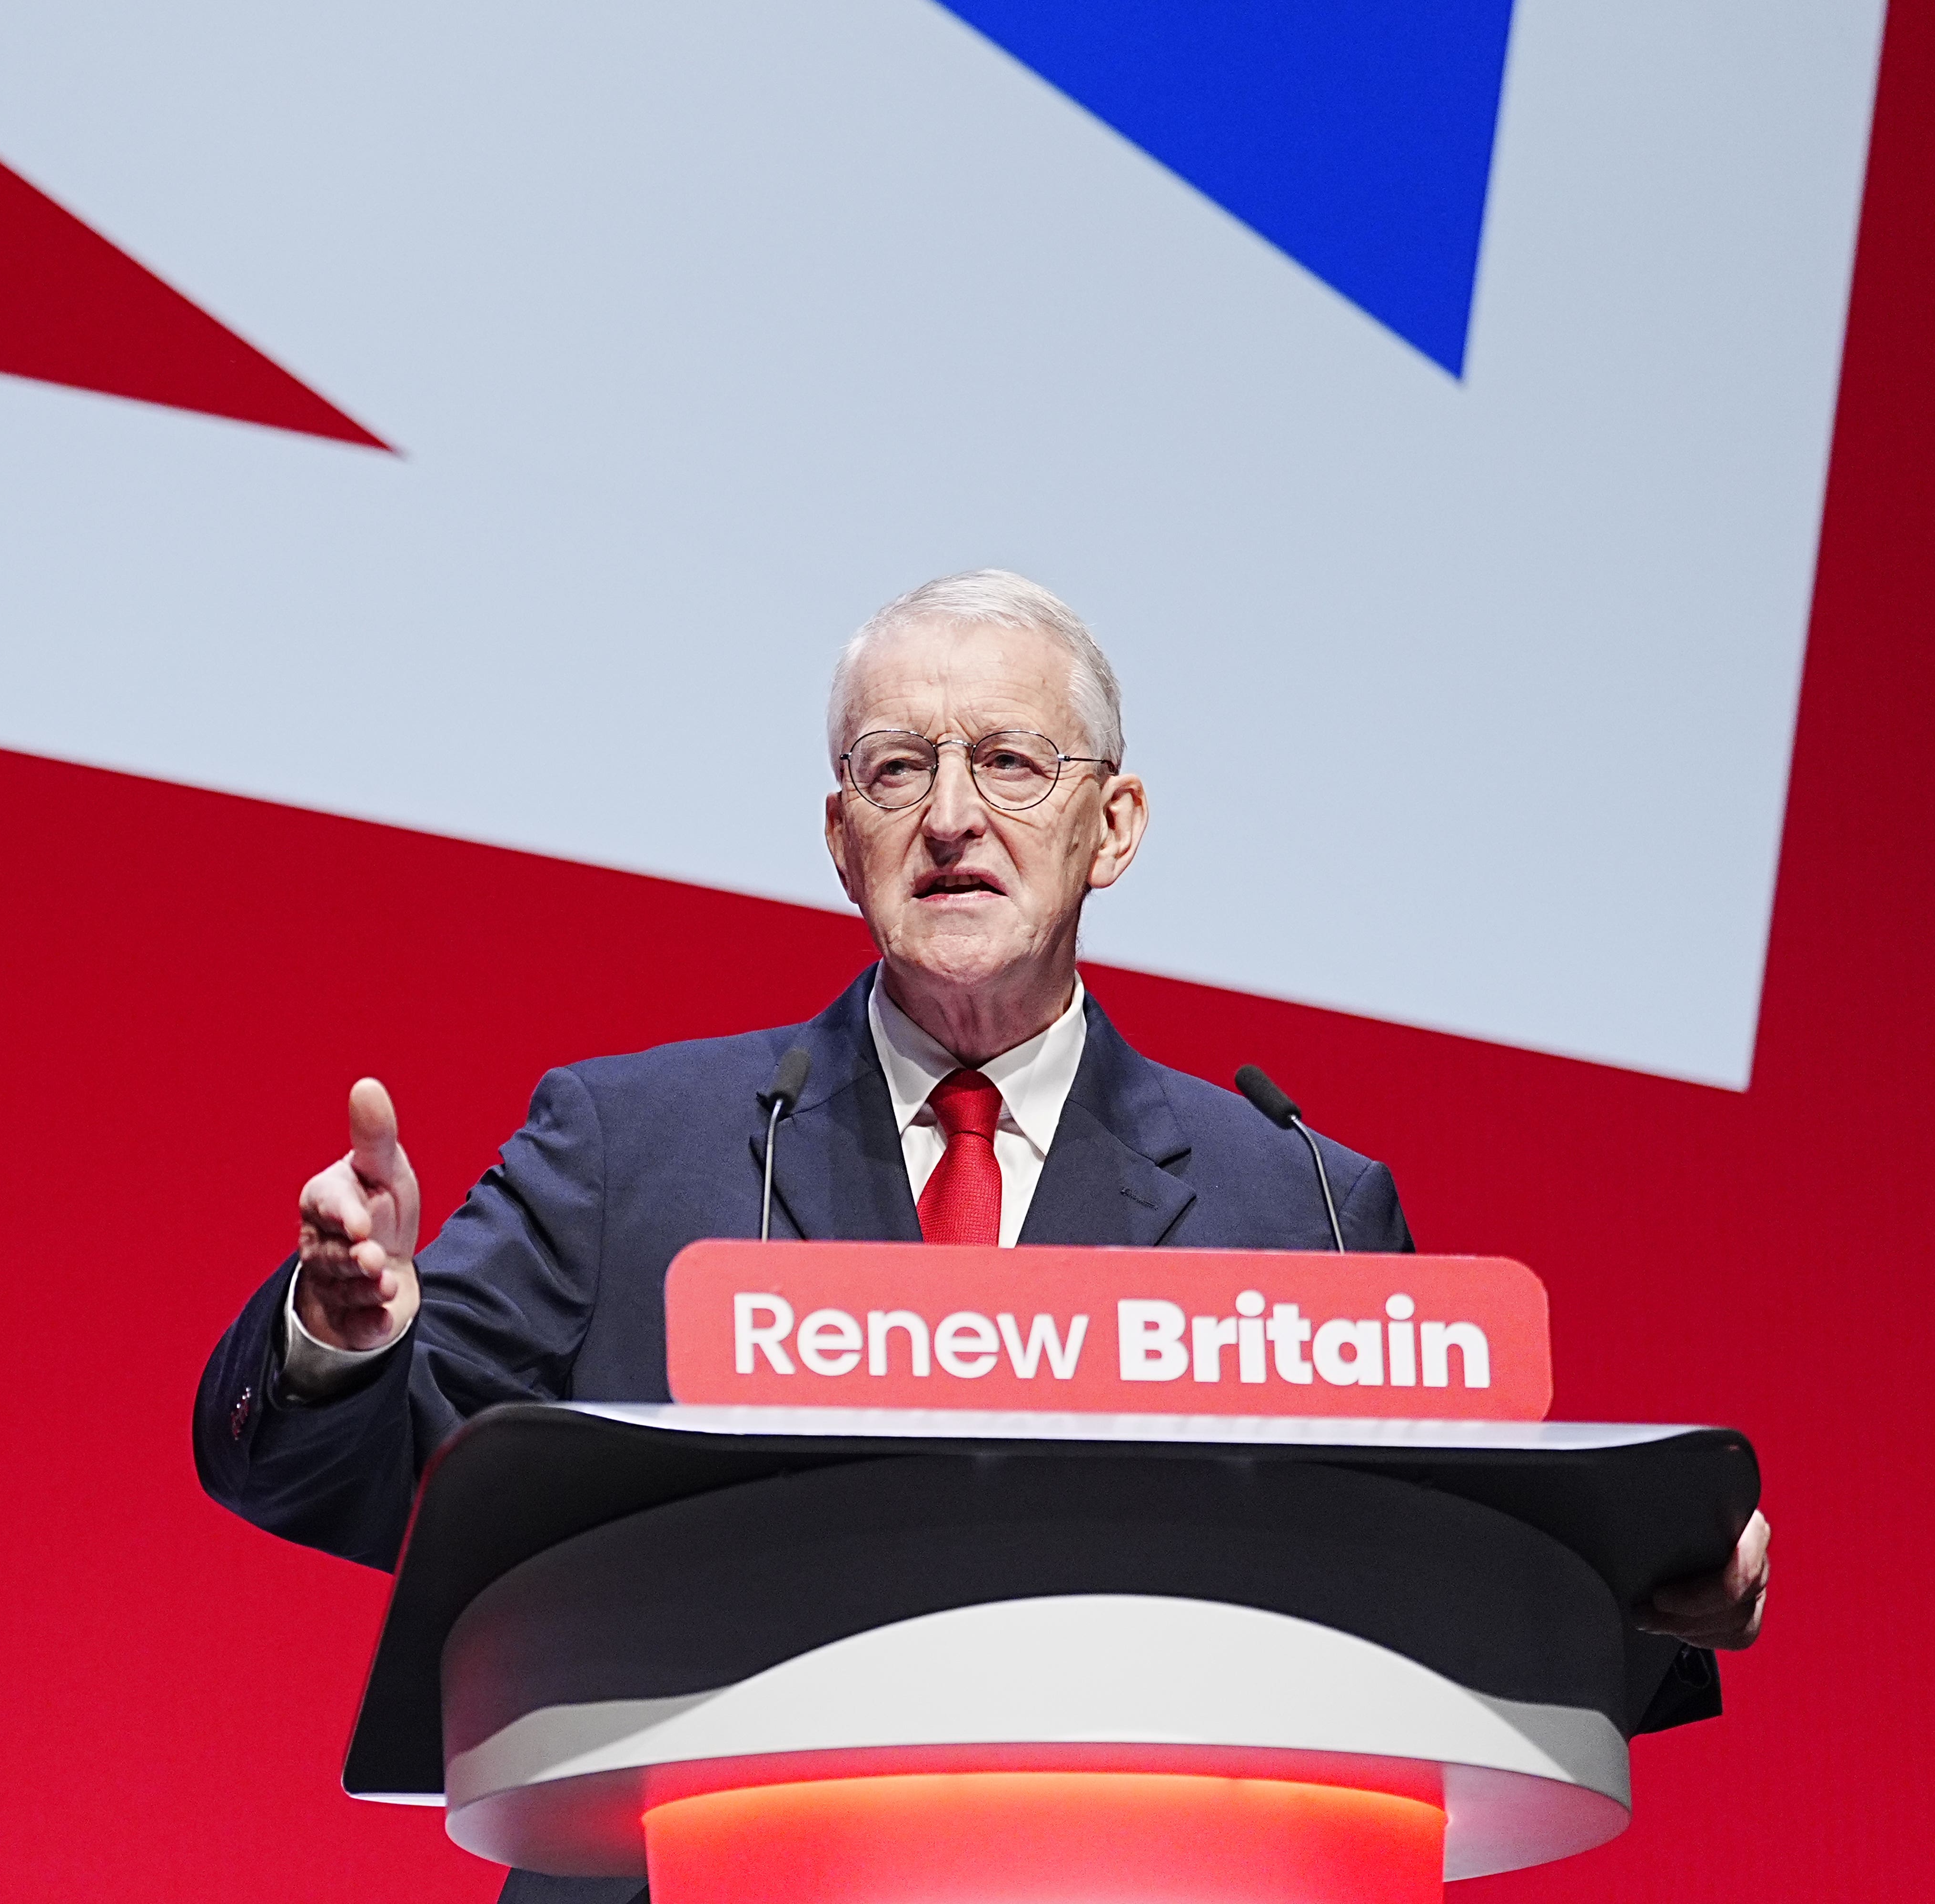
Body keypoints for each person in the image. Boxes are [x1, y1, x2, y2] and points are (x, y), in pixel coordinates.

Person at [192, 570, 1770, 1894]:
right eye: (898, 770)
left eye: (1012, 763)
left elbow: (1423, 1570)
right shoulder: (635, 1146)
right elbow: (352, 1461)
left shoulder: (1297, 1197)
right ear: (840, 835)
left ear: (1119, 823)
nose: (952, 816)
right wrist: (343, 1335)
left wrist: (1632, 1602)